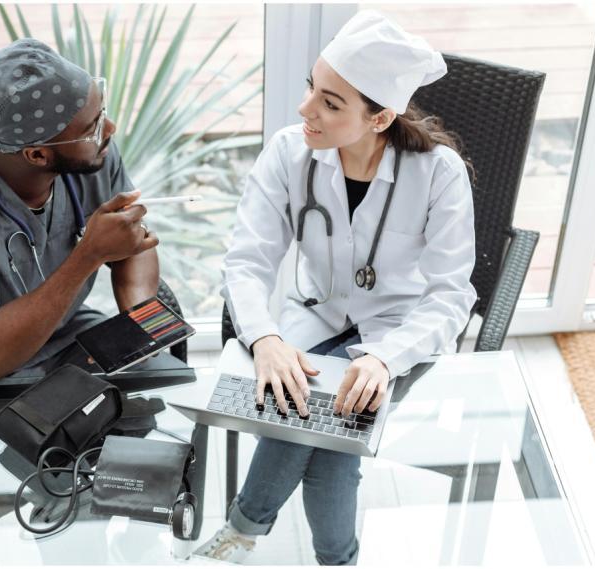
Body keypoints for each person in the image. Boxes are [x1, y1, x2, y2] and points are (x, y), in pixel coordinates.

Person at [196, 11, 477, 565]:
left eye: (330, 103)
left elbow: (451, 296)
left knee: (320, 432)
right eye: (311, 89)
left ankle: (241, 533)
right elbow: (247, 261)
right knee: (323, 429)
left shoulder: (439, 173)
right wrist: (266, 340)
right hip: (310, 319)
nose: (305, 110)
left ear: (379, 119)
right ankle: (337, 561)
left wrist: (384, 358)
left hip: (398, 334)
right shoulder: (287, 153)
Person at [0, 39, 163, 389]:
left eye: (101, 113)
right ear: (38, 156)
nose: (109, 129)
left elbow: (132, 241)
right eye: (93, 126)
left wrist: (142, 319)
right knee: (78, 436)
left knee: (159, 412)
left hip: (68, 332)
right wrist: (89, 255)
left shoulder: (91, 154)